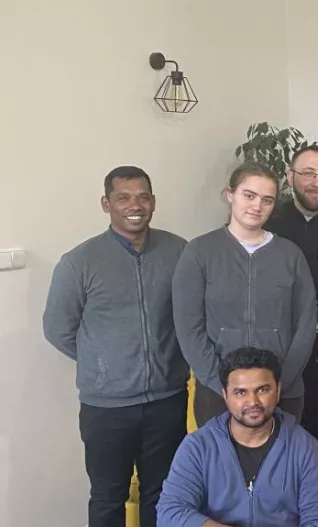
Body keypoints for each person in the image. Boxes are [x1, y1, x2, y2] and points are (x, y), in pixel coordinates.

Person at [42, 166, 189, 527]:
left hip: (167, 400)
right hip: (107, 408)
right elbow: (58, 329)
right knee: (108, 497)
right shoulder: (79, 262)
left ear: (153, 202)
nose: (134, 205)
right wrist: (104, 363)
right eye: (123, 198)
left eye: (142, 197)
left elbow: (192, 315)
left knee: (165, 493)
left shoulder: (179, 251)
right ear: (106, 204)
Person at [172, 162, 318, 427]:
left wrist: (280, 382)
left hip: (282, 391)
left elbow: (306, 323)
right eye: (249, 195)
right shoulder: (199, 252)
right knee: (220, 455)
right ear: (230, 195)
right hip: (217, 392)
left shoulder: (290, 255)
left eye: (267, 200)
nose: (257, 206)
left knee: (280, 454)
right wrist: (221, 383)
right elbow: (188, 327)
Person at [157, 347, 318, 527]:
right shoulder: (198, 446)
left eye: (263, 390)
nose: (253, 402)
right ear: (225, 395)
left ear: (278, 390)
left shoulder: (303, 446)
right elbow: (170, 512)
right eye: (241, 392)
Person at [265, 145, 318, 457]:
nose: (317, 182)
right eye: (308, 173)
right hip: (275, 346)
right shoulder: (267, 226)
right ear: (290, 177)